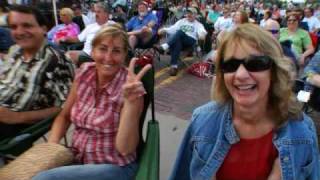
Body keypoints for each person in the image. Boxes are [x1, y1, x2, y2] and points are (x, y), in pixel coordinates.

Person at [170, 24, 320, 180]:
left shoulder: (302, 131)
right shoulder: (202, 120)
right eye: (231, 65)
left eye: (255, 64)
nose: (240, 74)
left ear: (275, 71)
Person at [32, 24, 151, 180]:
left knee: (44, 179)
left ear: (124, 56)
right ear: (93, 51)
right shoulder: (84, 72)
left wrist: (130, 103)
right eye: (102, 49)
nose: (108, 58)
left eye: (116, 51)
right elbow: (65, 116)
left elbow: (125, 149)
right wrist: (51, 151)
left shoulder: (132, 88)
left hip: (114, 167)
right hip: (77, 160)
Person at [0, 5, 74, 139]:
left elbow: (66, 108)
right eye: (14, 27)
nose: (20, 32)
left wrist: (17, 117)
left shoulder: (56, 60)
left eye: (27, 25)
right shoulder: (14, 50)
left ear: (44, 29)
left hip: (16, 128)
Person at [156, 7, 207, 76]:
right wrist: (164, 29)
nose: (189, 15)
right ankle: (174, 67)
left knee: (180, 32)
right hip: (180, 40)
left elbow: (202, 31)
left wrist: (202, 35)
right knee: (177, 41)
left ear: (195, 15)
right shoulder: (182, 21)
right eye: (188, 13)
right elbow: (172, 29)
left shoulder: (198, 24)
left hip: (190, 41)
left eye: (191, 13)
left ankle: (164, 47)